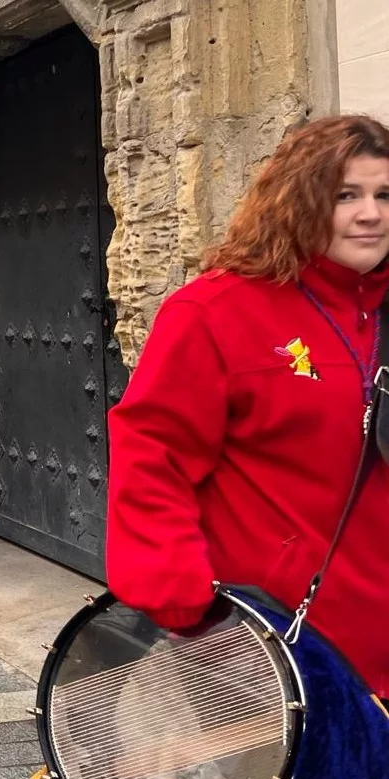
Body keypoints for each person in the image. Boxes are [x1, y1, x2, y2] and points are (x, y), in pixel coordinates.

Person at [107, 114, 389, 701]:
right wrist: (183, 603)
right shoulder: (215, 312)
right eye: (346, 195)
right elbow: (153, 455)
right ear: (300, 199)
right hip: (277, 652)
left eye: (385, 195)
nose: (371, 213)